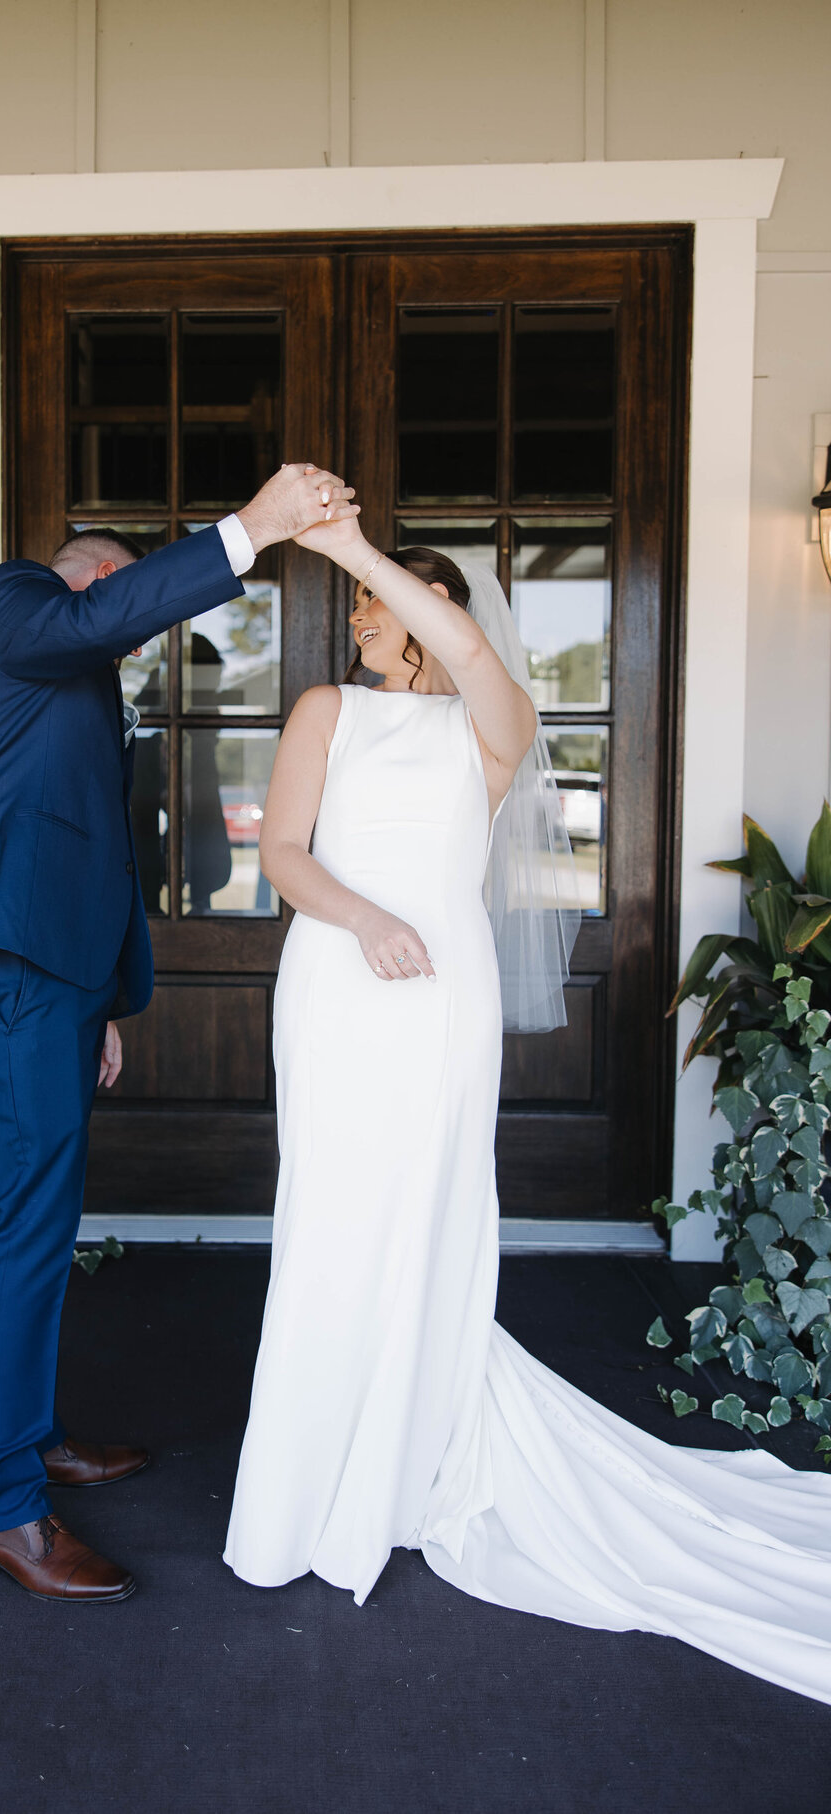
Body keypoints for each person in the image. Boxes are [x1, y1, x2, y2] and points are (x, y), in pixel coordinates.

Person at [223, 521, 831, 1706]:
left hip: (442, 1001)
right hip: (340, 988)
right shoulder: (322, 712)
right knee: (330, 1223)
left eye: (377, 602)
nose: (358, 615)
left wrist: (365, 552)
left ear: (441, 605)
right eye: (353, 599)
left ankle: (403, 1466)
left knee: (423, 1217)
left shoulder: (491, 728)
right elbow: (285, 856)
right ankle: (306, 1487)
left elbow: (475, 661)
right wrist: (360, 917)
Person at [0, 463, 359, 1605]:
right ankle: (3, 1507)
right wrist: (251, 529)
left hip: (43, 976)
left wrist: (103, 997)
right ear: (98, 575)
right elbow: (103, 620)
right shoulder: (14, 600)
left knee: (33, 1223)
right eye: (131, 607)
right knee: (19, 1221)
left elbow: (93, 845)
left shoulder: (60, 679)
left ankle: (26, 1434)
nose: (136, 639)